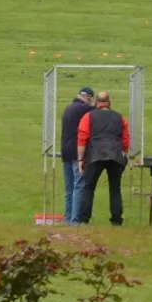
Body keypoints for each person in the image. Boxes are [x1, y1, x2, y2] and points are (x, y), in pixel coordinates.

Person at [76, 89, 130, 226]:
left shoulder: (89, 116)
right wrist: (125, 154)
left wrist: (80, 159)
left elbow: (82, 138)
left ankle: (83, 219)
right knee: (115, 189)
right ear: (109, 102)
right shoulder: (120, 117)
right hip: (116, 154)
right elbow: (125, 140)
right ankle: (116, 221)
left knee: (88, 187)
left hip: (95, 154)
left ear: (96, 102)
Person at [59, 85, 95, 222]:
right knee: (78, 186)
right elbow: (98, 110)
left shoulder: (68, 108)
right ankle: (74, 221)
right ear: (88, 98)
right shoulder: (83, 109)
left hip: (65, 151)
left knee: (69, 188)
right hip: (76, 152)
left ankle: (68, 218)